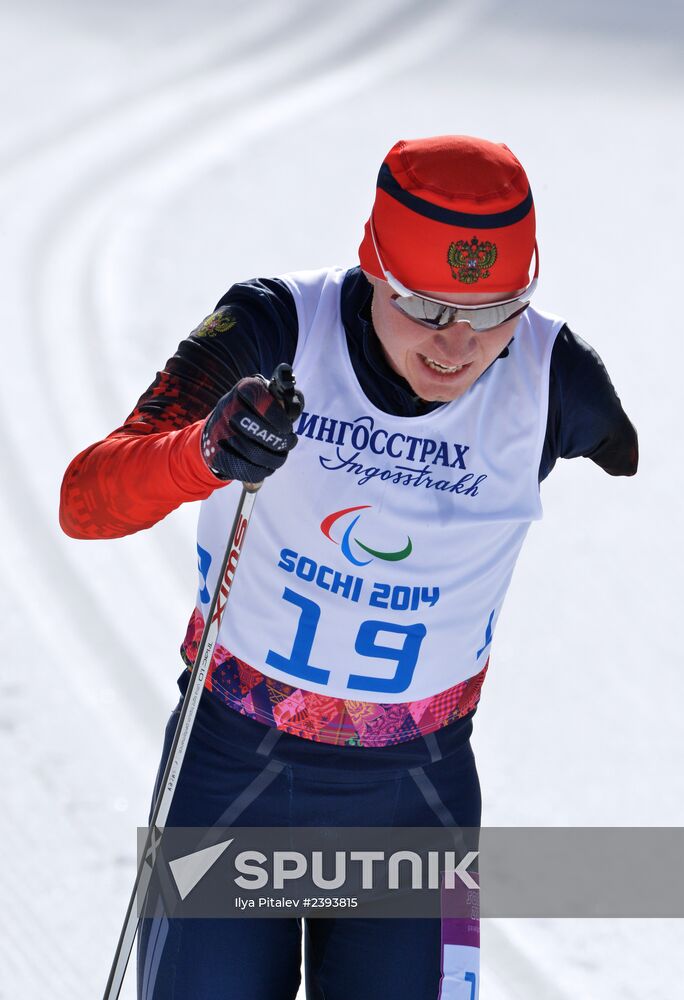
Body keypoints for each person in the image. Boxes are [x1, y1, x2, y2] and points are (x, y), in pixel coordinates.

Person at [59, 135, 638, 1000]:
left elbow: (624, 449)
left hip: (413, 796)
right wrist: (206, 451)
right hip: (233, 771)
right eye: (427, 305)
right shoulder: (274, 327)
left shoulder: (556, 381)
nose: (458, 343)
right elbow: (86, 500)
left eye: (493, 309)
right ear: (373, 269)